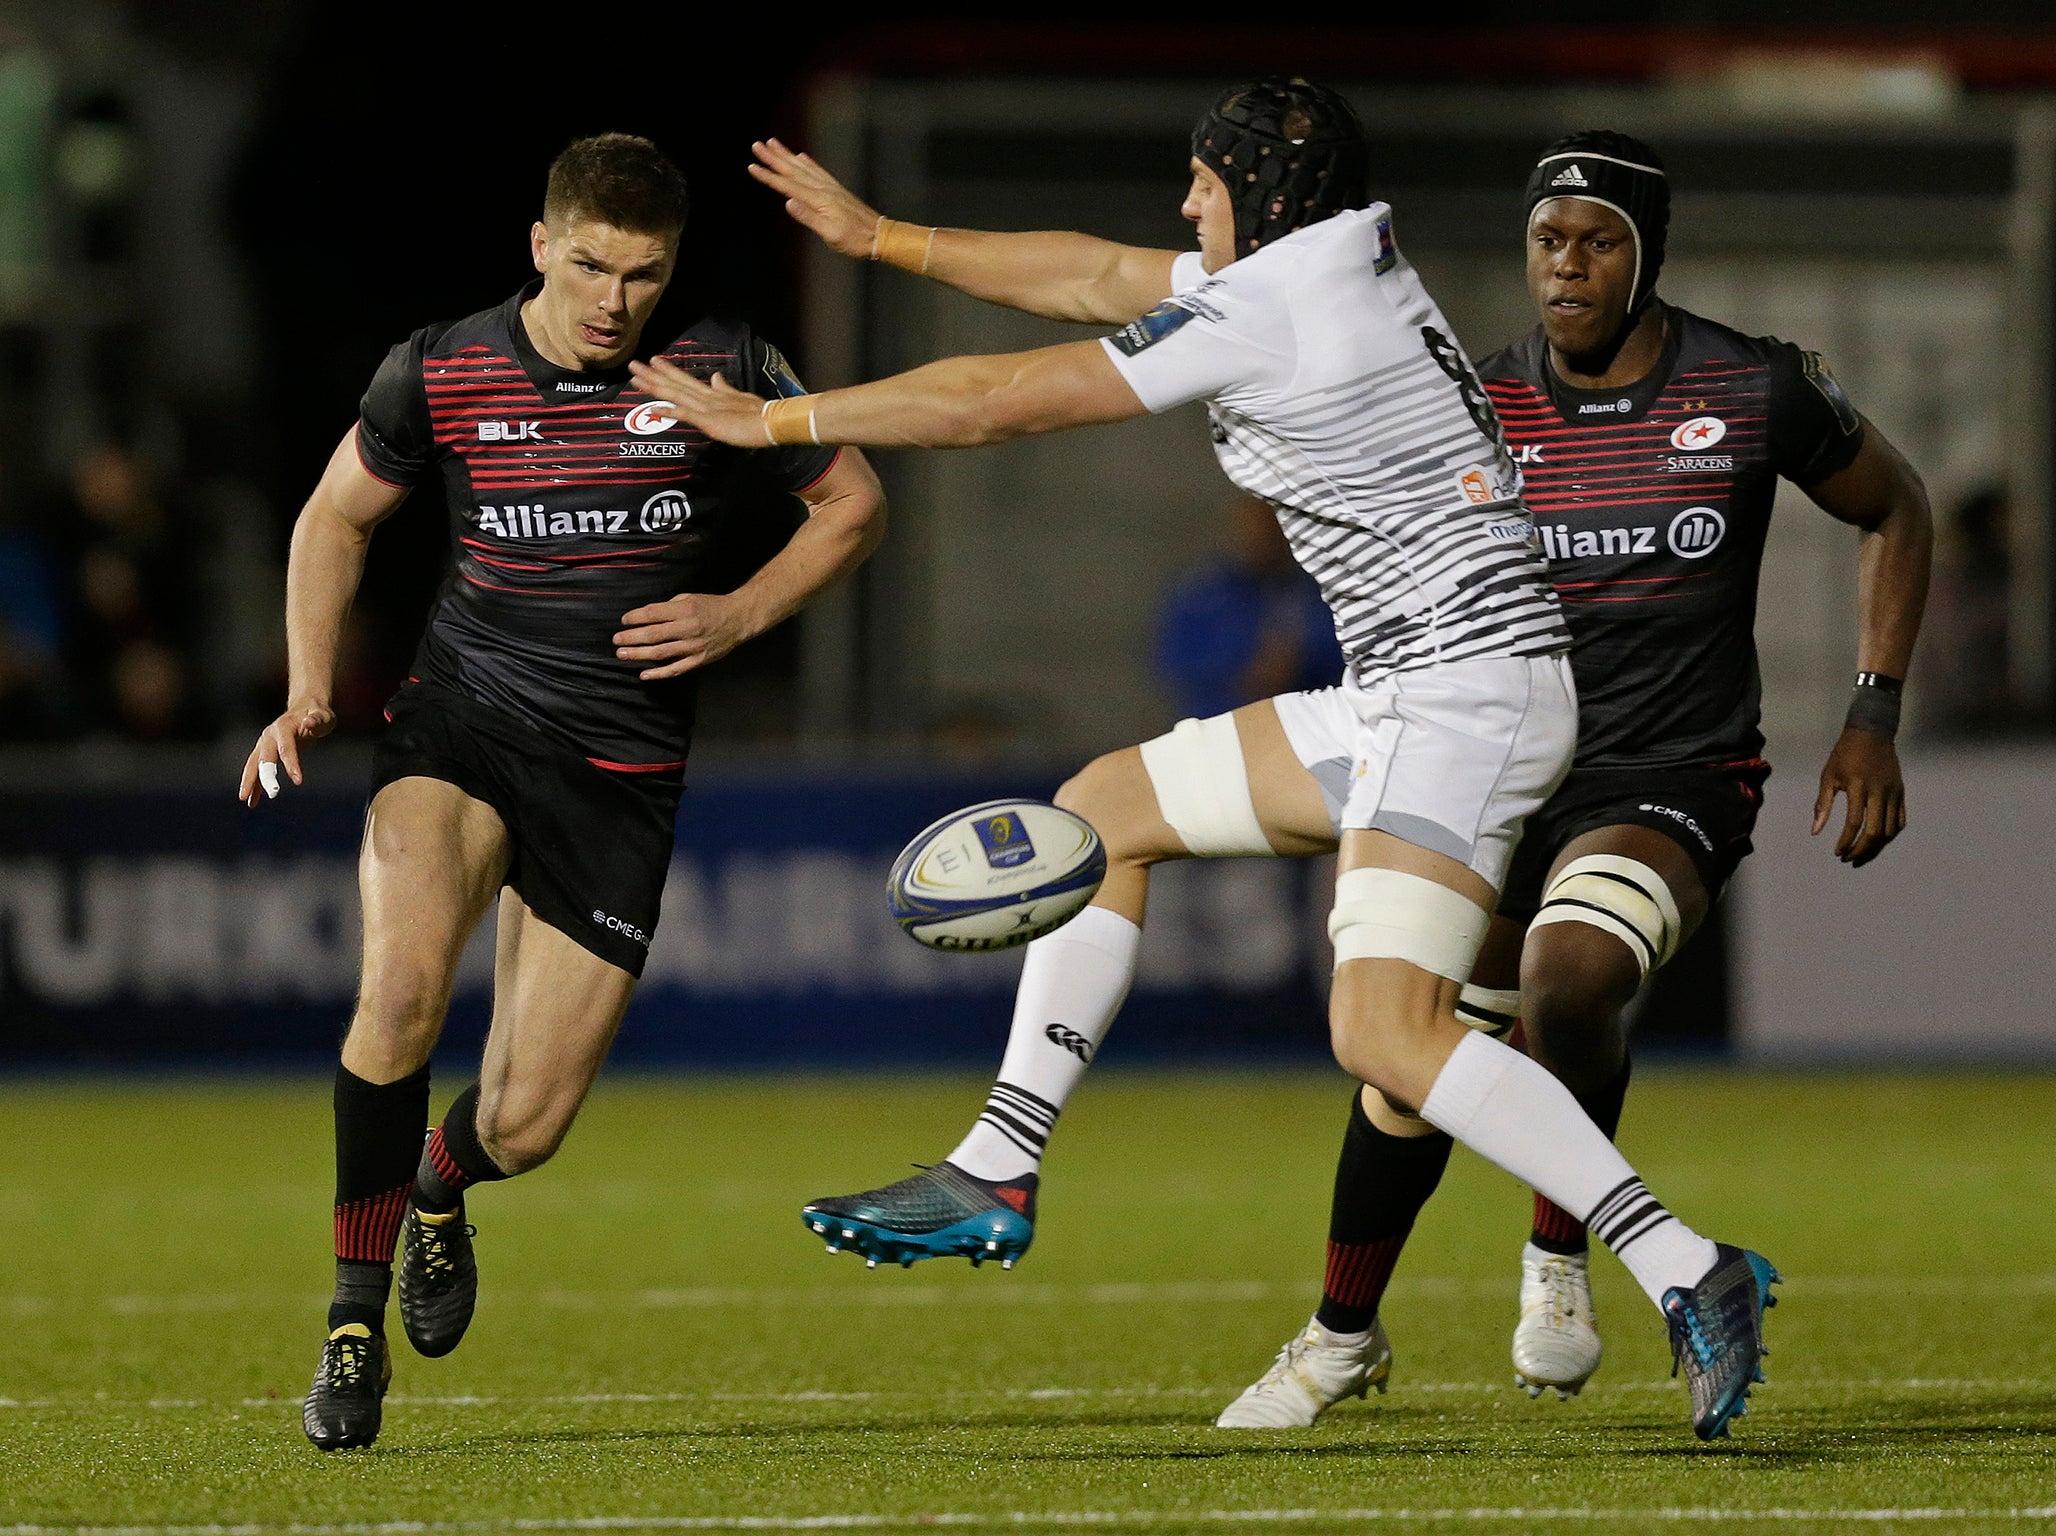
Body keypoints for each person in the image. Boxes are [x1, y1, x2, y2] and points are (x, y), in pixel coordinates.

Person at [639, 82, 1777, 1440]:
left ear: (1263, 189)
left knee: (1384, 1035)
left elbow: (1006, 401)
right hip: (1418, 693)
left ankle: (1686, 1265)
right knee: (1102, 812)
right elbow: (1103, 273)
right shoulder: (1326, 258)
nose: (1186, 206)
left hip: (1462, 704)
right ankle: (999, 1166)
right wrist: (887, 237)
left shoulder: (1277, 304)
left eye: (1203, 180)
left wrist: (774, 423)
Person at [1214, 130, 1931, 1428]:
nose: (1567, 267)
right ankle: (1340, 1333)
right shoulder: (1474, 404)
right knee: (1411, 1055)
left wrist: (1874, 710)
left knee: (1569, 976)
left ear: (1646, 254)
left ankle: (1559, 1254)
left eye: (1597, 242)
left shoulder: (1755, 387)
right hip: (1500, 777)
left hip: (1672, 776)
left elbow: (1899, 506)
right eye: (1548, 240)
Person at [239, 133, 885, 1451]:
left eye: (642, 275)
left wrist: (739, 613)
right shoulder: (442, 366)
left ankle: (437, 1185)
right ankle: (351, 1328)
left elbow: (856, 505)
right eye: (590, 265)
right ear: (542, 244)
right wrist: (309, 687)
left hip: (621, 772)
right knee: (404, 988)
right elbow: (332, 519)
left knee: (525, 1126)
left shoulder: (720, 366)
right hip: (460, 729)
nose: (613, 300)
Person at [1155, 492, 1341, 720]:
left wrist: (1302, 661)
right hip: (1219, 723)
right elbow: (1176, 661)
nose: (1261, 539)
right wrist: (1248, 666)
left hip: (1307, 725)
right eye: (1255, 528)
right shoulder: (1206, 593)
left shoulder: (1319, 591)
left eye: (1272, 532)